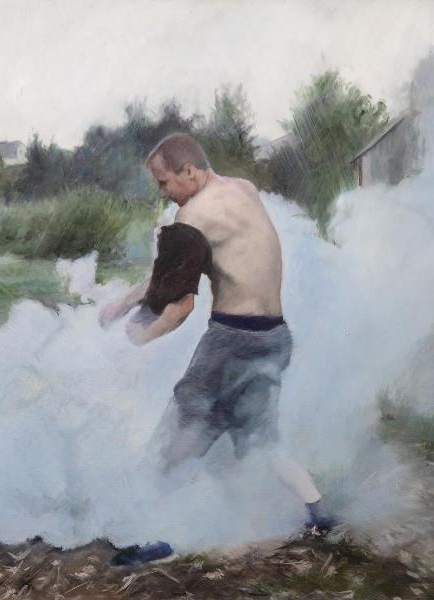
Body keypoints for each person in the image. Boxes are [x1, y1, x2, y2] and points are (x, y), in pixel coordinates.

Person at [99, 133, 336, 565]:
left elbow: (181, 306)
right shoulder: (242, 188)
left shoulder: (190, 218)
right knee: (260, 438)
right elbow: (170, 273)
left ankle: (156, 539)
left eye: (164, 182)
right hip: (274, 337)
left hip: (231, 342)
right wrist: (125, 302)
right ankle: (320, 514)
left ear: (188, 171)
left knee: (174, 441)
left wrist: (141, 337)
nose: (163, 193)